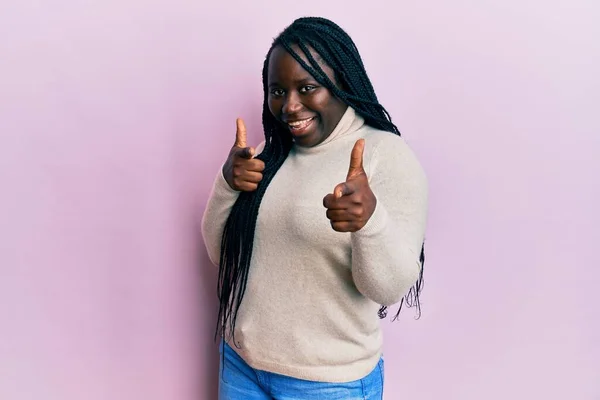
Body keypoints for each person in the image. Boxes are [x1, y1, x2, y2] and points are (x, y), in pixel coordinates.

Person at [201, 16, 428, 400]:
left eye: (307, 87)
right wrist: (227, 183)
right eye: (277, 91)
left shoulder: (384, 156)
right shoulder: (266, 155)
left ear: (342, 82)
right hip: (241, 366)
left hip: (328, 383)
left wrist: (369, 222)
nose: (289, 106)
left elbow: (389, 289)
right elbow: (221, 253)